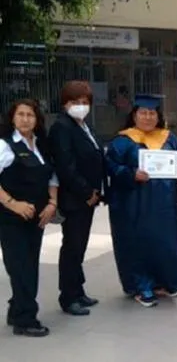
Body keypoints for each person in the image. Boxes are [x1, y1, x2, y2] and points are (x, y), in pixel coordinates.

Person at [105, 95, 177, 307]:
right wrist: (130, 174)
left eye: (152, 113)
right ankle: (141, 285)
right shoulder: (123, 141)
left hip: (165, 203)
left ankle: (164, 281)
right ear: (134, 115)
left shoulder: (170, 139)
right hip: (134, 203)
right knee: (138, 241)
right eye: (143, 113)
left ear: (158, 116)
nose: (148, 117)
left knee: (164, 240)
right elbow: (110, 167)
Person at [0, 99, 58, 337]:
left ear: (37, 119)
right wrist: (13, 204)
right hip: (11, 219)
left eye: (30, 115)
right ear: (12, 118)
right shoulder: (5, 146)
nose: (25, 119)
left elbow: (52, 177)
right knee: (20, 267)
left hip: (38, 218)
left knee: (30, 265)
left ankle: (17, 309)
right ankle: (26, 319)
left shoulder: (41, 145)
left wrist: (52, 203)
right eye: (20, 114)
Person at [49, 80, 107, 316]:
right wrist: (87, 192)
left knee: (79, 246)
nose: (81, 106)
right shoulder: (62, 127)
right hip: (75, 198)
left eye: (85, 102)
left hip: (89, 197)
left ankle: (78, 290)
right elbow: (66, 166)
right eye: (75, 102)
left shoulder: (85, 126)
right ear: (65, 104)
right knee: (72, 247)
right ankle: (68, 296)